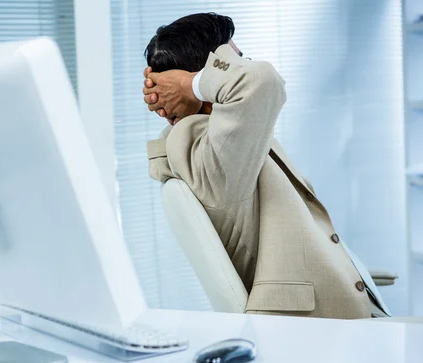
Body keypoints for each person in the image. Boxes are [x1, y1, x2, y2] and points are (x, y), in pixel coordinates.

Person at [143, 13, 390, 319]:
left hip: (341, 314)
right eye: (236, 59)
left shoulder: (226, 142)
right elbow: (262, 80)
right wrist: (190, 84)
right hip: (324, 330)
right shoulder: (204, 149)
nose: (243, 65)